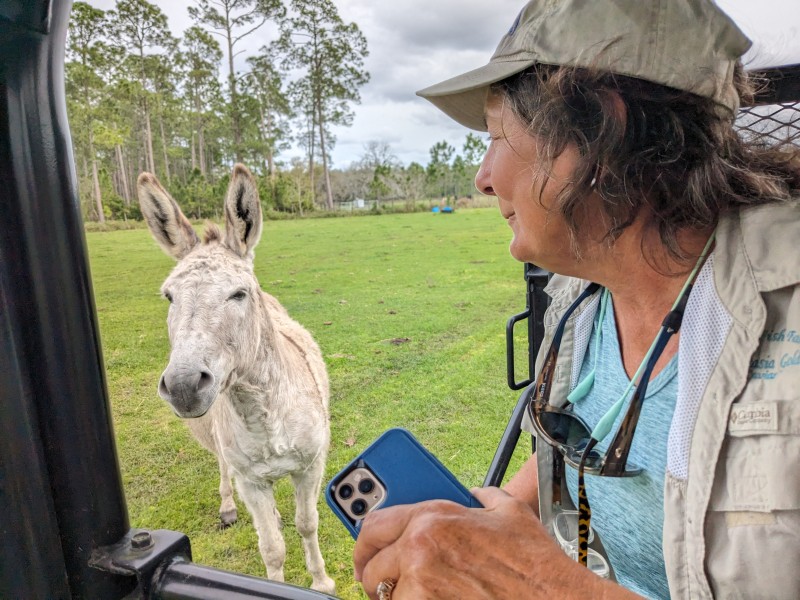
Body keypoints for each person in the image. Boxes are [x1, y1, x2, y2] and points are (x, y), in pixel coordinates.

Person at [352, 0, 800, 598]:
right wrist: (494, 524)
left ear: (597, 132)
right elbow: (588, 435)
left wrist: (540, 586)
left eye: (495, 138)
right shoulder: (580, 300)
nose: (483, 178)